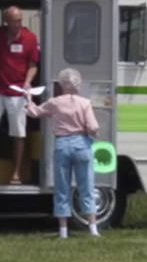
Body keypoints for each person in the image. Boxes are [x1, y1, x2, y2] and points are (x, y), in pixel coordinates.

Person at [24, 68, 100, 238]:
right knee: (86, 186)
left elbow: (34, 112)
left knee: (62, 187)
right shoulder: (85, 103)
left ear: (61, 85)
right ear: (78, 84)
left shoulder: (55, 102)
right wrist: (93, 132)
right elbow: (93, 126)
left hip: (62, 145)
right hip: (82, 145)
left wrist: (28, 98)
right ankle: (93, 228)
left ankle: (63, 231)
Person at [0, 6, 39, 185]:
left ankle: (16, 173)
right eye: (14, 21)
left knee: (18, 132)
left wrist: (28, 82)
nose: (18, 24)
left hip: (17, 91)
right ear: (5, 21)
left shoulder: (29, 37)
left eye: (20, 20)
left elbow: (33, 65)